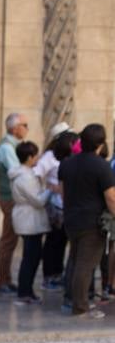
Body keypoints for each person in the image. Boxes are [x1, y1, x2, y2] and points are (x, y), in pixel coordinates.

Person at [58, 123, 115, 319]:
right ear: (101, 143)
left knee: (74, 261)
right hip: (93, 223)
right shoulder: (102, 165)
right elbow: (111, 198)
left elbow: (63, 193)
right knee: (85, 265)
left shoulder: (67, 163)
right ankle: (80, 307)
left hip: (71, 219)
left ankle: (70, 300)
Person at [36, 126, 75, 289]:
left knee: (61, 241)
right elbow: (36, 173)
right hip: (56, 206)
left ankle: (57, 274)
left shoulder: (67, 157)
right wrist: (50, 187)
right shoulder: (49, 156)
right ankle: (49, 276)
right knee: (54, 241)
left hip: (65, 206)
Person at [0, 112, 28, 293]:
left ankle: (5, 278)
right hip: (9, 199)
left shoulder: (12, 146)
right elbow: (17, 172)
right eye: (25, 125)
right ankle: (0, 280)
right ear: (14, 128)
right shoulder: (7, 148)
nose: (27, 129)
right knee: (8, 240)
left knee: (10, 240)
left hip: (8, 198)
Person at [9, 141, 48, 304]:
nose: (38, 158)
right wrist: (50, 190)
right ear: (30, 157)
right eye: (36, 155)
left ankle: (27, 291)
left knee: (32, 256)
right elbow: (38, 200)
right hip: (29, 219)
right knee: (30, 258)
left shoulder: (23, 173)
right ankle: (24, 292)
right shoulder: (25, 177)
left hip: (27, 218)